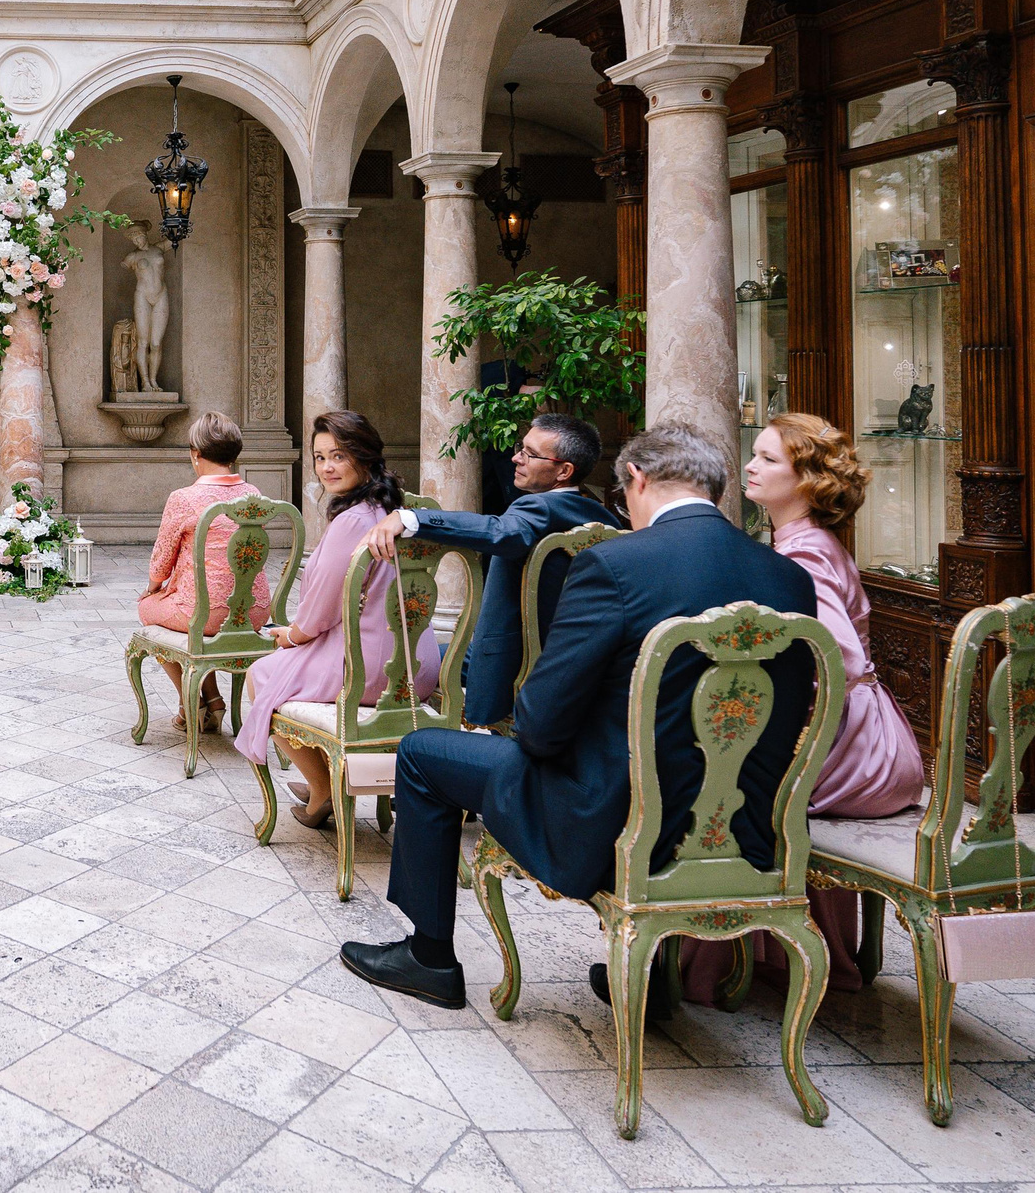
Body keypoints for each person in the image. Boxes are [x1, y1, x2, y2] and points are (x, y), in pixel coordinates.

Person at [340, 422, 816, 1018]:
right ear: (715, 487)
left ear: (637, 479)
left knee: (420, 753)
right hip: (749, 831)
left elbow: (538, 725)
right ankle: (652, 975)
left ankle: (430, 958)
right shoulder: (789, 578)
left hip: (613, 822)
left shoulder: (616, 566)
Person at [679, 413, 924, 1002]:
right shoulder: (803, 542)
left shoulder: (805, 554)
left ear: (808, 480)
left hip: (852, 743)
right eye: (754, 455)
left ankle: (711, 966)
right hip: (861, 732)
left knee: (718, 791)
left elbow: (832, 662)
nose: (751, 467)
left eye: (767, 459)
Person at [359, 412, 621, 727]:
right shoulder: (604, 519)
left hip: (506, 665)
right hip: (568, 660)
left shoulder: (537, 508)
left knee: (388, 659)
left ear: (564, 470)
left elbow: (503, 532)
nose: (515, 458)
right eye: (520, 448)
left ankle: (388, 756)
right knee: (430, 651)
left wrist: (412, 518)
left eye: (529, 454)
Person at [235, 410, 424, 829]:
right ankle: (329, 773)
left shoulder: (352, 520)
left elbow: (317, 613)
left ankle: (323, 790)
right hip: (415, 662)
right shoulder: (394, 512)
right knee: (288, 668)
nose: (326, 468)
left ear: (365, 456)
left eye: (338, 455)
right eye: (320, 457)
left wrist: (290, 635)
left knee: (263, 675)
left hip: (370, 670)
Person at [135, 411, 272, 732]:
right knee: (189, 620)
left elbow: (160, 563)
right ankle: (212, 701)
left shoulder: (184, 498)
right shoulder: (254, 496)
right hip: (254, 612)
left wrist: (153, 588)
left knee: (148, 610)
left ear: (196, 454)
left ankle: (192, 701)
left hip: (204, 614)